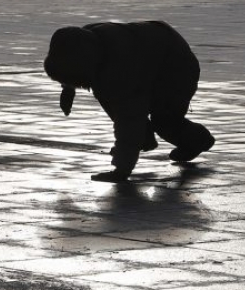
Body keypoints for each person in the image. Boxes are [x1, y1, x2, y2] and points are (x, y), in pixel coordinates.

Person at [44, 20, 214, 181]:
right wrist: (67, 89)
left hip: (177, 67)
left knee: (164, 120)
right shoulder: (84, 40)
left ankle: (198, 141)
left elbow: (129, 119)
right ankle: (143, 139)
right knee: (108, 94)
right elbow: (69, 61)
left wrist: (121, 170)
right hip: (152, 51)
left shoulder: (119, 67)